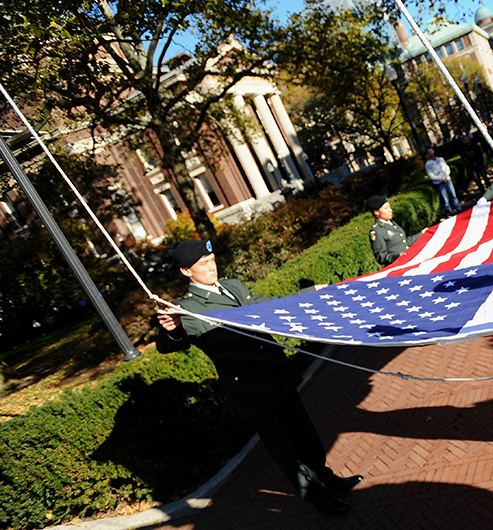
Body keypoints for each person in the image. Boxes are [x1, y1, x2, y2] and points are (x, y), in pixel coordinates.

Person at [155, 240, 363, 516]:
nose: (212, 267)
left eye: (213, 259)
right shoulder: (186, 308)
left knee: (306, 436)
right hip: (251, 388)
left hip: (275, 372)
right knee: (286, 449)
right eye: (203, 264)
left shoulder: (233, 286)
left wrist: (310, 294)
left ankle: (325, 478)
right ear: (186, 272)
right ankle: (316, 496)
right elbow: (170, 343)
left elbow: (267, 307)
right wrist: (172, 329)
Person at [367, 195, 426, 266]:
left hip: (408, 261)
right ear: (376, 212)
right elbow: (381, 256)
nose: (390, 210)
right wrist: (396, 256)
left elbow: (404, 242)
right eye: (386, 208)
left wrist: (421, 234)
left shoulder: (391, 223)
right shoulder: (377, 231)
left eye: (389, 207)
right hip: (397, 266)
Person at [424, 147, 462, 217]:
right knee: (445, 200)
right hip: (439, 183)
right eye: (429, 152)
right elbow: (431, 175)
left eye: (431, 151)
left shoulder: (440, 159)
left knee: (454, 196)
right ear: (427, 154)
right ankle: (450, 213)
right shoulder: (428, 164)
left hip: (447, 180)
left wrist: (446, 176)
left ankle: (459, 210)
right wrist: (440, 179)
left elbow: (447, 168)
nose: (431, 153)